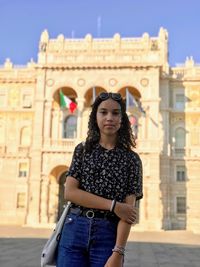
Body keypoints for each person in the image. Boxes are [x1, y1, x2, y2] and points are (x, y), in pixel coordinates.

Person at [57, 92, 143, 267]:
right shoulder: (82, 150)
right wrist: (114, 206)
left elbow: (128, 212)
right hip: (74, 229)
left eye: (115, 113)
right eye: (103, 112)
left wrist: (119, 251)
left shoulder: (132, 160)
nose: (109, 118)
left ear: (122, 118)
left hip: (108, 234)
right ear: (95, 116)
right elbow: (70, 192)